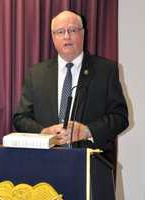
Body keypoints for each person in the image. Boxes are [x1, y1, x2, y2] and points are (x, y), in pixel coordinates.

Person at [13, 10, 129, 166]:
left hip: (90, 164)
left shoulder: (106, 71)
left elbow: (120, 117)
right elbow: (20, 118)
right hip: (43, 163)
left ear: (83, 33)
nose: (66, 36)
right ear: (53, 37)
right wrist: (44, 132)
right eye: (60, 32)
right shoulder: (36, 74)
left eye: (72, 30)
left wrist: (87, 131)